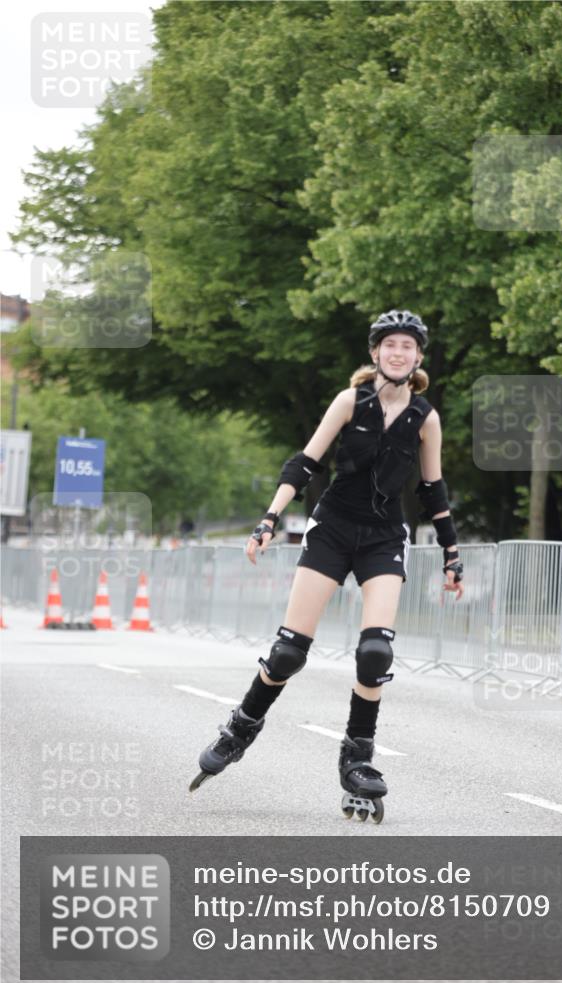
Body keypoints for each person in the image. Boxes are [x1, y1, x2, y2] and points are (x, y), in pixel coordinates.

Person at [190, 310, 464, 822]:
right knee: (289, 651)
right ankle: (240, 729)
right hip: (333, 529)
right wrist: (269, 518)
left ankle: (357, 757)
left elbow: (432, 489)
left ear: (419, 357)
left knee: (376, 651)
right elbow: (305, 462)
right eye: (390, 345)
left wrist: (452, 553)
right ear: (376, 353)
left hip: (384, 537)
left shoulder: (425, 417)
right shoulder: (349, 401)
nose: (398, 353)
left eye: (408, 345)